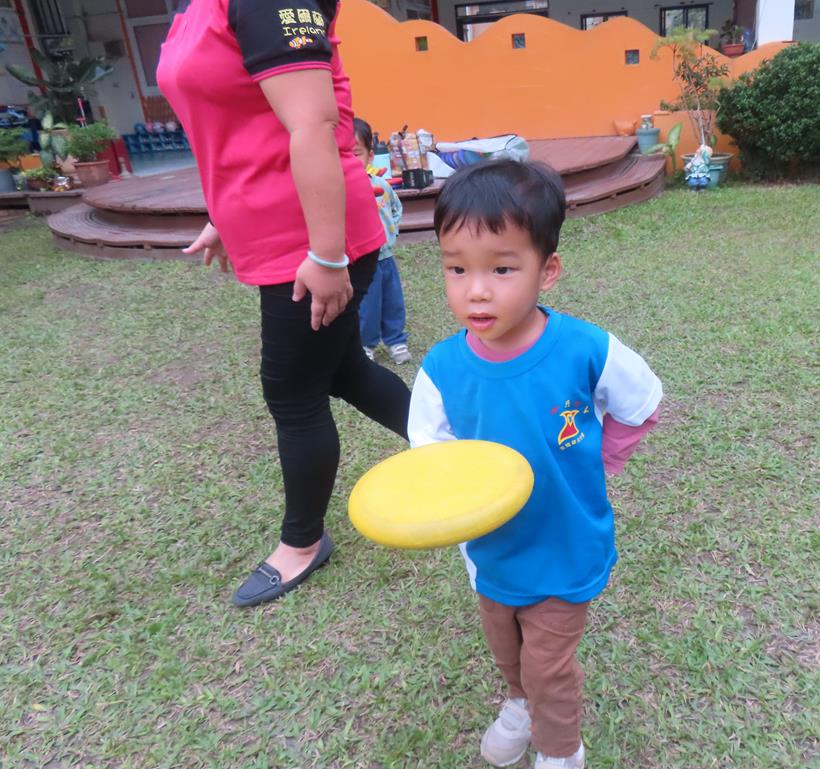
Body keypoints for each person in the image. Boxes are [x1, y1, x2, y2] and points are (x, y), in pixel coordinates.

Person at [407, 160, 662, 769]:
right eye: (457, 268)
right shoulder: (441, 369)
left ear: (547, 271)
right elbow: (430, 454)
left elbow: (642, 403)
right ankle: (518, 703)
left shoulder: (584, 348)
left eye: (502, 268)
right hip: (490, 551)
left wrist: (601, 462)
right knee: (506, 645)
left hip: (564, 542)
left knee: (548, 665)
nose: (476, 290)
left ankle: (560, 751)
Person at [157, 0, 411, 607]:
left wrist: (327, 255)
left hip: (310, 239)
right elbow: (238, 119)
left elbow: (313, 126)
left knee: (293, 393)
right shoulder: (200, 8)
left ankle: (302, 543)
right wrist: (225, 214)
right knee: (345, 371)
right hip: (281, 228)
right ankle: (459, 443)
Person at [351, 117, 411, 364]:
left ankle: (396, 341)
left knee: (393, 301)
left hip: (386, 257)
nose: (350, 160)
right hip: (363, 260)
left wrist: (392, 229)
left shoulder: (382, 186)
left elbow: (396, 208)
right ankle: (366, 344)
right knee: (368, 305)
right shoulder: (342, 191)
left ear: (370, 155)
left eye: (356, 153)